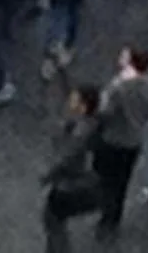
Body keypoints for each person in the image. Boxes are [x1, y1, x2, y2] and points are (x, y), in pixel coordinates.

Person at [90, 46, 148, 235]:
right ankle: (115, 216)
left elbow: (104, 112)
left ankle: (106, 215)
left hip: (113, 140)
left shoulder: (119, 87)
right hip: (133, 142)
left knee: (106, 179)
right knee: (122, 182)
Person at [43, 83, 104, 253]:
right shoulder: (92, 122)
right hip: (79, 180)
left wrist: (48, 175)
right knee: (55, 222)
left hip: (70, 184)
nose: (71, 100)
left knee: (53, 221)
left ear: (83, 106)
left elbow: (66, 158)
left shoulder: (80, 132)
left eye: (75, 99)